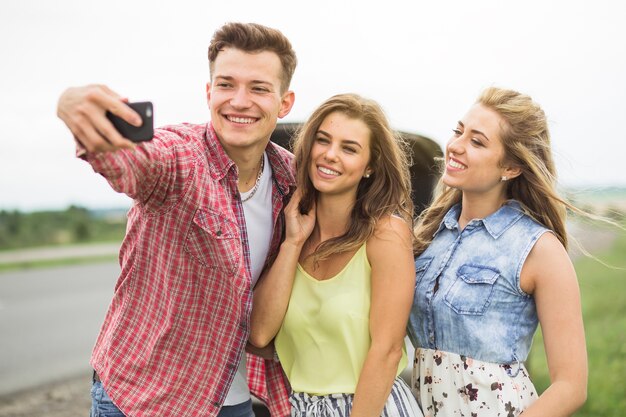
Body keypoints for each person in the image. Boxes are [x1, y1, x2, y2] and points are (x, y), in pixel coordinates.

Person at [56, 22, 298, 417]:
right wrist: (75, 107)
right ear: (208, 93)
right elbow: (137, 160)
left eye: (258, 88)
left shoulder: (290, 177)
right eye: (226, 85)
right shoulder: (181, 157)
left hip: (231, 399)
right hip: (143, 396)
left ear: (284, 102)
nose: (239, 101)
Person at [407, 87, 588, 416]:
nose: (456, 146)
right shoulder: (427, 236)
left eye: (477, 141)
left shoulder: (538, 248)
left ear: (511, 167)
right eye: (458, 132)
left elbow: (571, 386)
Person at [249, 94, 423, 417]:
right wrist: (292, 243)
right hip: (302, 409)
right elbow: (259, 333)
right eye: (323, 140)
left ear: (370, 166)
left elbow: (386, 351)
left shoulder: (385, 234)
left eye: (349, 148)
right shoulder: (288, 231)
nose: (330, 155)